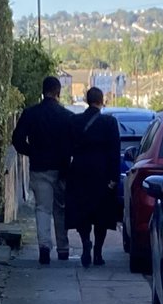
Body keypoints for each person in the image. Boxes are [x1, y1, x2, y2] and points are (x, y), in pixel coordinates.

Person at [12, 76, 73, 264]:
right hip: (61, 169)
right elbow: (73, 144)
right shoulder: (66, 116)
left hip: (39, 168)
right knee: (60, 210)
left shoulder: (31, 114)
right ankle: (63, 248)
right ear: (58, 92)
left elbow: (17, 140)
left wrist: (32, 152)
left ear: (42, 90)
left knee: (42, 209)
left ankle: (44, 247)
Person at [67, 86, 121, 267]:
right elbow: (115, 151)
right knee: (101, 214)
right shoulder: (109, 123)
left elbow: (68, 147)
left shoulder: (75, 121)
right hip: (102, 172)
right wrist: (114, 177)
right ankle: (98, 252)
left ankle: (85, 242)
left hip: (80, 171)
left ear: (86, 100)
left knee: (83, 211)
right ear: (102, 100)